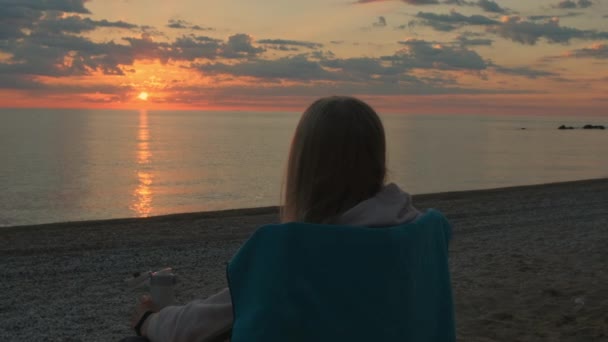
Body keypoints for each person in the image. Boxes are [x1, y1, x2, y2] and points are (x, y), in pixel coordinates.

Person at [124, 96, 452, 341]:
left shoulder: (295, 253)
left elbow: (204, 321)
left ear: (305, 168)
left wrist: (149, 320)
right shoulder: (421, 235)